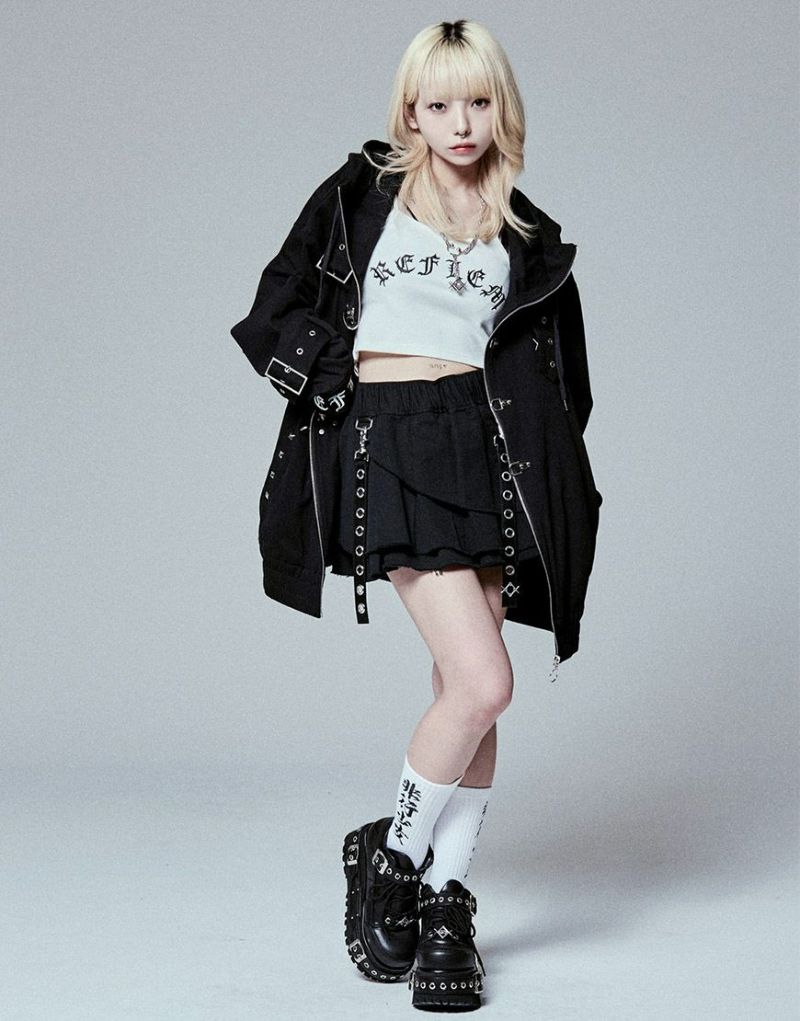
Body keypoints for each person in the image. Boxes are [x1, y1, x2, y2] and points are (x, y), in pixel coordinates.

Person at [230, 18, 602, 1013]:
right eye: (439, 104)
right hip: (388, 439)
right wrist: (323, 383)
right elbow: (275, 303)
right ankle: (392, 858)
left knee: (464, 686)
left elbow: (563, 384)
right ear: (411, 111)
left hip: (486, 447)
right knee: (486, 680)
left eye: (477, 101)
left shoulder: (527, 233)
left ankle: (444, 902)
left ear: (500, 107)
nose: (460, 122)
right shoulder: (362, 192)